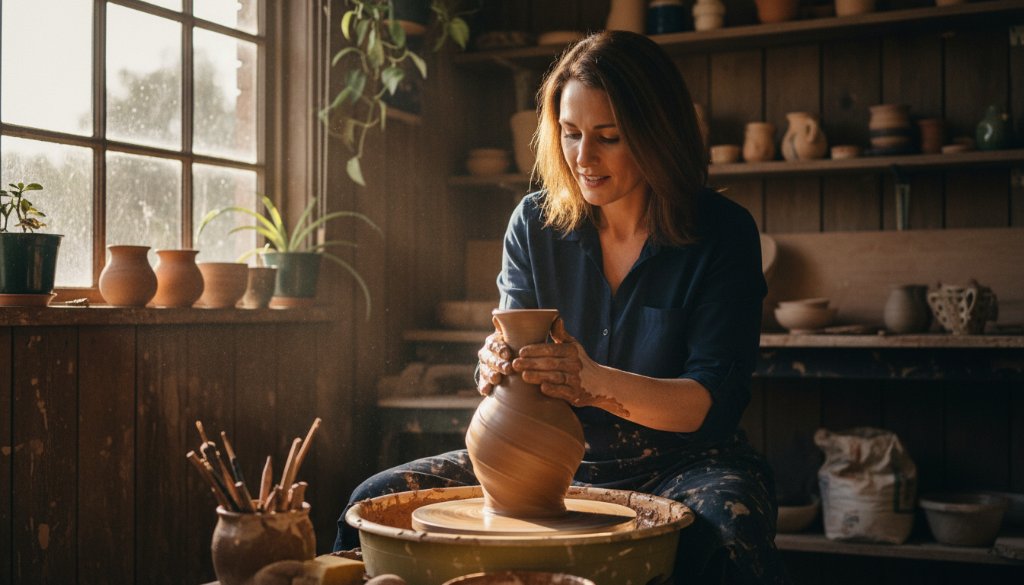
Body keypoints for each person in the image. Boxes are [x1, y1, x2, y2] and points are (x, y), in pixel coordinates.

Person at [336, 30, 790, 584]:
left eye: (609, 137)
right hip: (547, 463)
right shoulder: (535, 224)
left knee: (727, 531)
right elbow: (517, 363)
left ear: (657, 134)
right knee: (372, 500)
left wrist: (593, 382)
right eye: (570, 133)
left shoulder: (721, 232)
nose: (583, 158)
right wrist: (498, 366)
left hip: (684, 464)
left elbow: (709, 404)